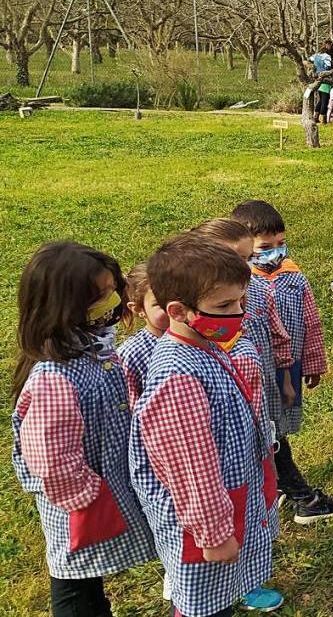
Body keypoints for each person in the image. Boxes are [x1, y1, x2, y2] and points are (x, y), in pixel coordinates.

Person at [129, 236, 278, 617]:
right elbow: (192, 470)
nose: (239, 313)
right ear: (179, 311)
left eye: (242, 301)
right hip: (204, 525)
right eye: (225, 306)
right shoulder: (178, 377)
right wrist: (214, 534)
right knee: (205, 606)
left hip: (229, 502)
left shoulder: (207, 346)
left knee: (220, 598)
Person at [12, 241, 156, 616]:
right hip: (80, 503)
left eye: (112, 292)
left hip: (97, 490)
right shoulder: (54, 378)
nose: (112, 304)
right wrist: (84, 497)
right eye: (101, 297)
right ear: (65, 308)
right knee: (73, 579)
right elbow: (49, 456)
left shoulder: (92, 349)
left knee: (88, 579)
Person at [190, 218, 296, 612]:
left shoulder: (247, 298)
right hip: (219, 452)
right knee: (213, 540)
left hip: (250, 433)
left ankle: (245, 581)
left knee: (250, 515)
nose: (246, 269)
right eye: (239, 260)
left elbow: (274, 337)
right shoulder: (191, 355)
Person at [231, 200, 333, 524]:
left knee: (277, 428)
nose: (275, 252)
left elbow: (310, 322)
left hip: (288, 368)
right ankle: (302, 496)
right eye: (264, 247)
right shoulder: (236, 287)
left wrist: (313, 363)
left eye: (280, 244)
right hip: (255, 375)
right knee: (270, 432)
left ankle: (280, 483)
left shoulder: (294, 276)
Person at [118, 262, 169, 403]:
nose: (172, 307)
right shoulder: (131, 355)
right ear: (138, 309)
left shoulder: (197, 336)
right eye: (160, 304)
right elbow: (130, 405)